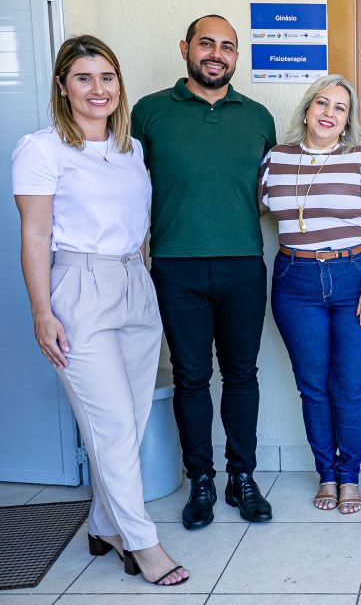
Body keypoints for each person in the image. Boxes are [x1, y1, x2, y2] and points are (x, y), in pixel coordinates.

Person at [12, 35, 188, 585]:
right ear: (62, 86)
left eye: (107, 77)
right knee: (109, 423)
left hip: (135, 282)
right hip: (78, 284)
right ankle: (142, 543)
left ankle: (103, 525)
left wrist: (141, 280)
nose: (98, 89)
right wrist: (43, 311)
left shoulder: (129, 149)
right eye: (84, 78)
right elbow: (35, 235)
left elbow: (137, 227)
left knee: (129, 422)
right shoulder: (40, 149)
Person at [131, 15, 276, 530]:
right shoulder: (149, 113)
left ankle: (243, 478)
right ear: (185, 49)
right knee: (192, 379)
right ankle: (201, 481)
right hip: (175, 267)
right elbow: (127, 189)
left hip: (242, 263)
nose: (217, 54)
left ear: (237, 57)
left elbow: (264, 193)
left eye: (228, 47)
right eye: (207, 44)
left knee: (242, 376)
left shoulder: (258, 117)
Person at [259, 75, 361, 514]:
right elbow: (257, 207)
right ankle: (327, 475)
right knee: (313, 387)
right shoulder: (275, 159)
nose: (329, 113)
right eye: (322, 103)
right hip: (294, 282)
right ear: (306, 109)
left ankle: (350, 475)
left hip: (356, 276)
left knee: (352, 387)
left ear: (348, 120)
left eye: (340, 108)